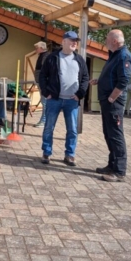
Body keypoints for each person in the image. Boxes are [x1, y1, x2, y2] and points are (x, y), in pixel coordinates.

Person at [39, 31, 90, 167]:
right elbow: (42, 75)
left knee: (72, 130)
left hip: (72, 101)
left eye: (76, 41)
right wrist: (46, 92)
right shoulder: (52, 57)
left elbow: (85, 78)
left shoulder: (79, 59)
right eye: (71, 40)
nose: (74, 43)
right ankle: (46, 152)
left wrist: (80, 94)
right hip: (54, 99)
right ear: (63, 42)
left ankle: (70, 155)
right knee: (49, 127)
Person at [89, 29, 131, 182]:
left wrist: (111, 98)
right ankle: (112, 165)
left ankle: (119, 171)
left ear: (115, 41)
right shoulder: (114, 55)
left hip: (114, 103)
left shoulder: (124, 56)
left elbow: (123, 81)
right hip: (107, 102)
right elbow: (112, 76)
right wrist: (99, 81)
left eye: (107, 39)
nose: (105, 41)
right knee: (108, 133)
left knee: (115, 135)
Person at [33, 41, 50, 127]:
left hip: (44, 84)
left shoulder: (46, 56)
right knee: (44, 102)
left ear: (41, 48)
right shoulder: (41, 56)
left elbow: (45, 71)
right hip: (40, 82)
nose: (35, 50)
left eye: (37, 48)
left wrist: (44, 83)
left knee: (45, 102)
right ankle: (44, 121)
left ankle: (44, 121)